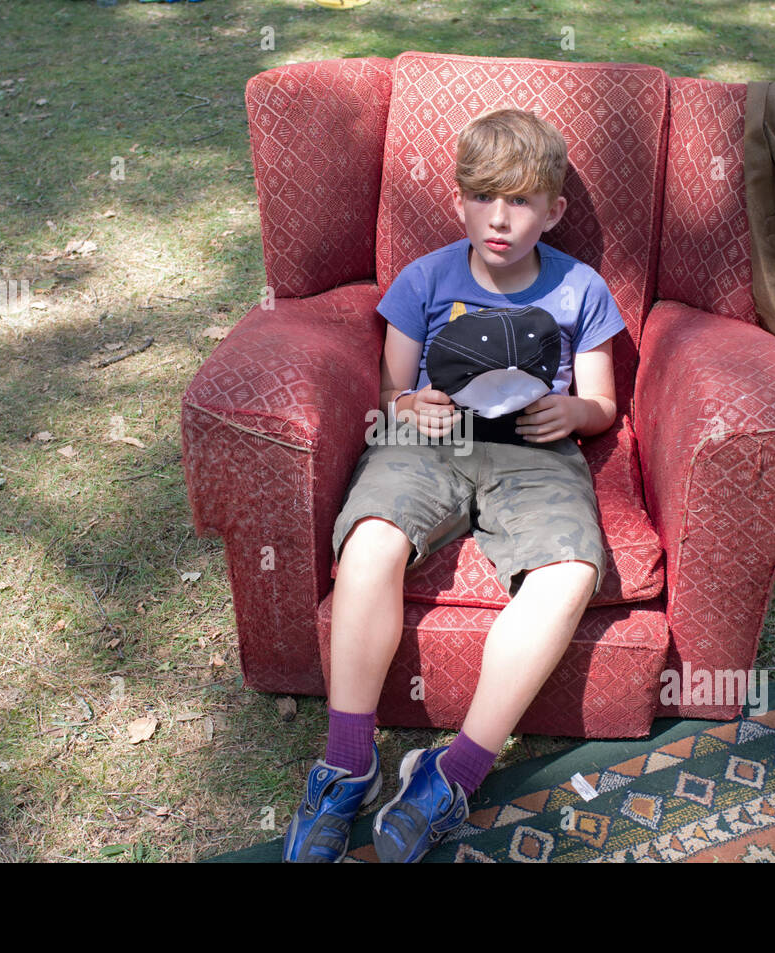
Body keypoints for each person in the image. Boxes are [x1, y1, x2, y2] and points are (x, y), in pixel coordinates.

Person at [283, 108, 626, 863]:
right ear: (458, 200)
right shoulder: (426, 278)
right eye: (483, 197)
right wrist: (408, 405)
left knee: (568, 572)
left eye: (522, 201)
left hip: (536, 453)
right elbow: (389, 388)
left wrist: (575, 409)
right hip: (434, 440)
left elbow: (603, 404)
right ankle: (349, 762)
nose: (499, 219)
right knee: (369, 542)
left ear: (554, 210)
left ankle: (452, 771)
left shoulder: (581, 288)